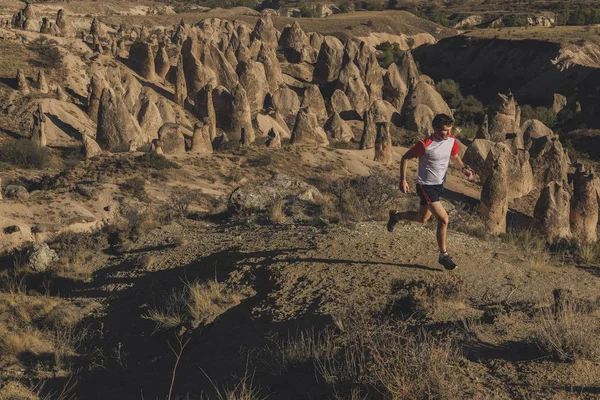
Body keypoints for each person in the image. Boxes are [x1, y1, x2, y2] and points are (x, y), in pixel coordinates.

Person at [387, 114, 473, 271]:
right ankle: (443, 256)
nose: (448, 133)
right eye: (444, 130)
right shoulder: (425, 144)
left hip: (439, 185)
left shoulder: (452, 141)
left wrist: (464, 168)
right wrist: (403, 180)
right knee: (444, 219)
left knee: (422, 218)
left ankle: (396, 216)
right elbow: (405, 158)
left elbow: (454, 157)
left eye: (449, 130)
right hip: (425, 186)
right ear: (435, 129)